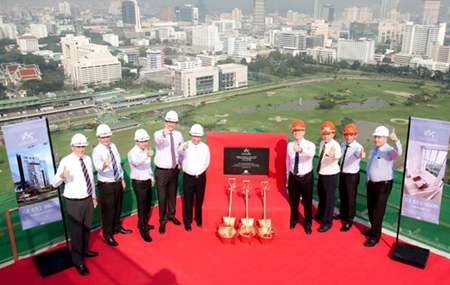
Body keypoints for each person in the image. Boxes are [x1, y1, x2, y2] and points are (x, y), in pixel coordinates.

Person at [52, 133, 98, 276]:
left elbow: (90, 179)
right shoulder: (66, 161)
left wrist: (93, 197)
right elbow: (54, 183)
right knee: (76, 233)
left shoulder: (88, 159)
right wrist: (62, 176)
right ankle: (78, 261)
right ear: (72, 147)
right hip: (73, 202)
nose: (81, 149)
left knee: (86, 228)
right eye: (78, 146)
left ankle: (84, 250)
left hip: (87, 199)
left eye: (83, 146)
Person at [93, 124, 132, 247]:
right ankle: (107, 234)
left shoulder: (113, 146)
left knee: (117, 207)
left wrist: (121, 179)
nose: (106, 139)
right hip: (106, 185)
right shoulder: (97, 151)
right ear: (99, 138)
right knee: (108, 210)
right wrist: (105, 164)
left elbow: (118, 164)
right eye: (103, 137)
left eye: (107, 136)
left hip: (117, 182)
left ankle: (116, 227)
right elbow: (98, 168)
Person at [363, 126, 402, 247]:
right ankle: (372, 229)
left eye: (379, 137)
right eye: (375, 137)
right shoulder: (373, 148)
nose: (376, 139)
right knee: (370, 208)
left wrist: (396, 140)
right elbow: (370, 166)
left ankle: (375, 236)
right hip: (372, 183)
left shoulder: (389, 151)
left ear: (385, 138)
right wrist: (367, 179)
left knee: (377, 211)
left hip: (383, 185)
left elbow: (398, 152)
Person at [154, 110, 184, 234]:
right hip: (161, 171)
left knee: (172, 194)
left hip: (173, 170)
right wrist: (164, 134)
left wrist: (179, 161)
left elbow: (180, 150)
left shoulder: (178, 135)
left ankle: (171, 215)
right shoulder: (158, 134)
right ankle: (162, 220)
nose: (171, 124)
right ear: (165, 122)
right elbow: (158, 140)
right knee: (162, 197)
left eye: (173, 122)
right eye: (169, 122)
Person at [179, 124, 210, 232]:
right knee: (188, 200)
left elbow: (207, 162)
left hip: (201, 177)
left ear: (201, 137)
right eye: (194, 136)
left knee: (200, 199)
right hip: (188, 177)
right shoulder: (185, 146)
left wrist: (199, 171)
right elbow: (179, 154)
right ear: (190, 135)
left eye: (198, 136)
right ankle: (188, 222)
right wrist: (182, 149)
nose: (196, 139)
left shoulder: (205, 147)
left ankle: (199, 218)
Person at [286, 120, 316, 235]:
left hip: (306, 177)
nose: (296, 133)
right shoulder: (289, 145)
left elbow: (311, 153)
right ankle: (294, 220)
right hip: (294, 176)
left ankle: (308, 223)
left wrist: (301, 150)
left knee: (307, 201)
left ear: (304, 132)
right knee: (293, 201)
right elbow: (288, 162)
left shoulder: (309, 145)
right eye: (294, 131)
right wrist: (287, 177)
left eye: (299, 130)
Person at [335, 124, 365, 232]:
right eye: (346, 135)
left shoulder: (358, 147)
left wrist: (362, 155)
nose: (348, 137)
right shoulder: (342, 144)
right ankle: (342, 213)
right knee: (342, 195)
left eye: (351, 135)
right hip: (342, 173)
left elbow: (359, 154)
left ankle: (349, 220)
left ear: (355, 135)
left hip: (352, 176)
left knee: (350, 198)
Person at [127, 129, 156, 242]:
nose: (144, 143)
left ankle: (142, 224)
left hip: (147, 181)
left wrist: (151, 178)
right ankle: (144, 231)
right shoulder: (132, 153)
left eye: (145, 141)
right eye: (142, 141)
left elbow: (148, 167)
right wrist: (147, 156)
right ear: (136, 141)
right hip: (139, 183)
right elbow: (136, 162)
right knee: (142, 206)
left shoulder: (145, 151)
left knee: (147, 204)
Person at [316, 121, 342, 233]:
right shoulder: (322, 143)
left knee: (329, 200)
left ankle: (327, 222)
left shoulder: (335, 145)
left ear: (333, 134)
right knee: (322, 196)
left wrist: (334, 155)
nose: (326, 136)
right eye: (324, 134)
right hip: (322, 173)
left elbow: (338, 154)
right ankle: (320, 215)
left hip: (330, 175)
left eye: (328, 134)